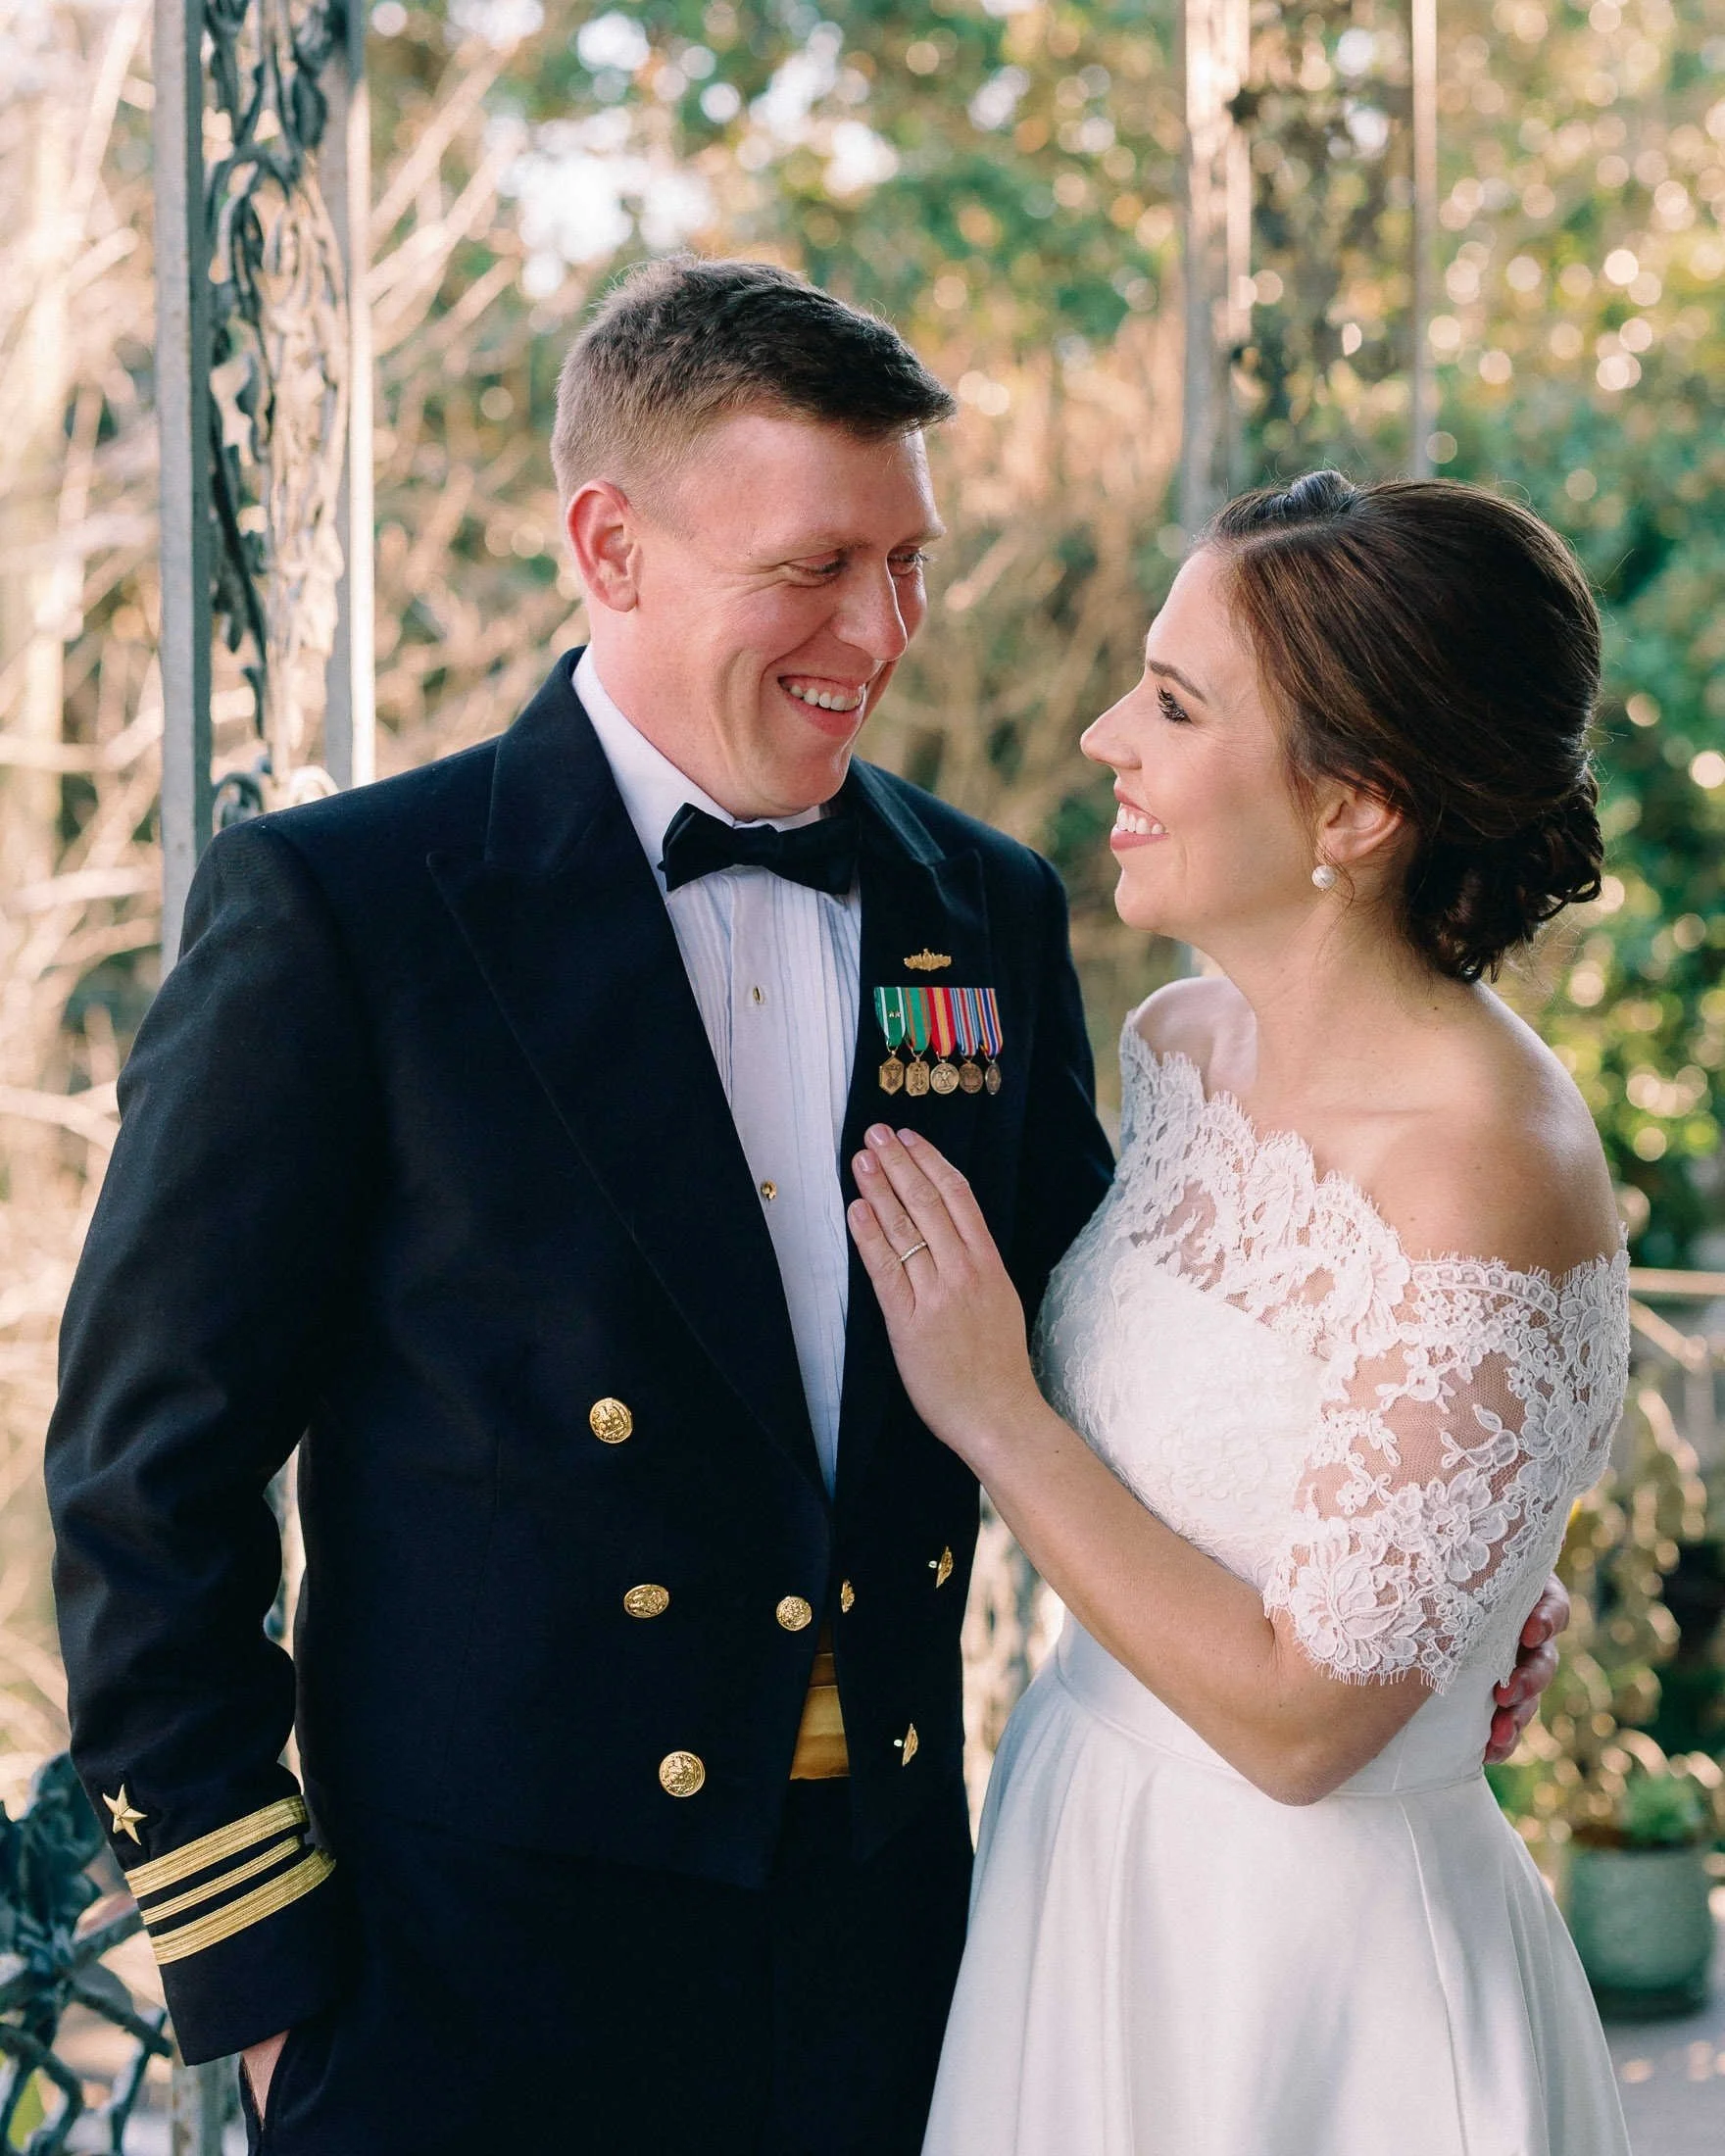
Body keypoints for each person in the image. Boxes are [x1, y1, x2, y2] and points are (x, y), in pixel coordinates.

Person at [45, 263, 1562, 2154]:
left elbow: (1121, 1335)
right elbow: (141, 1486)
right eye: (815, 566)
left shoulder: (982, 906)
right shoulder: (348, 914)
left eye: (909, 561)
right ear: (614, 545)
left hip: (896, 1962)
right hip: (475, 1984)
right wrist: (269, 1992)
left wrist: (1427, 1530)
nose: (883, 626)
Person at [847, 472, 1632, 2156]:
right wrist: (1456, 1558)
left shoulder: (1492, 1168)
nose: (1102, 735)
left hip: (1309, 1966)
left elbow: (1297, 1723)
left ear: (1354, 808)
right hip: (1088, 1854)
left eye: (1177, 703)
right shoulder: (1183, 1045)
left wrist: (998, 1415)